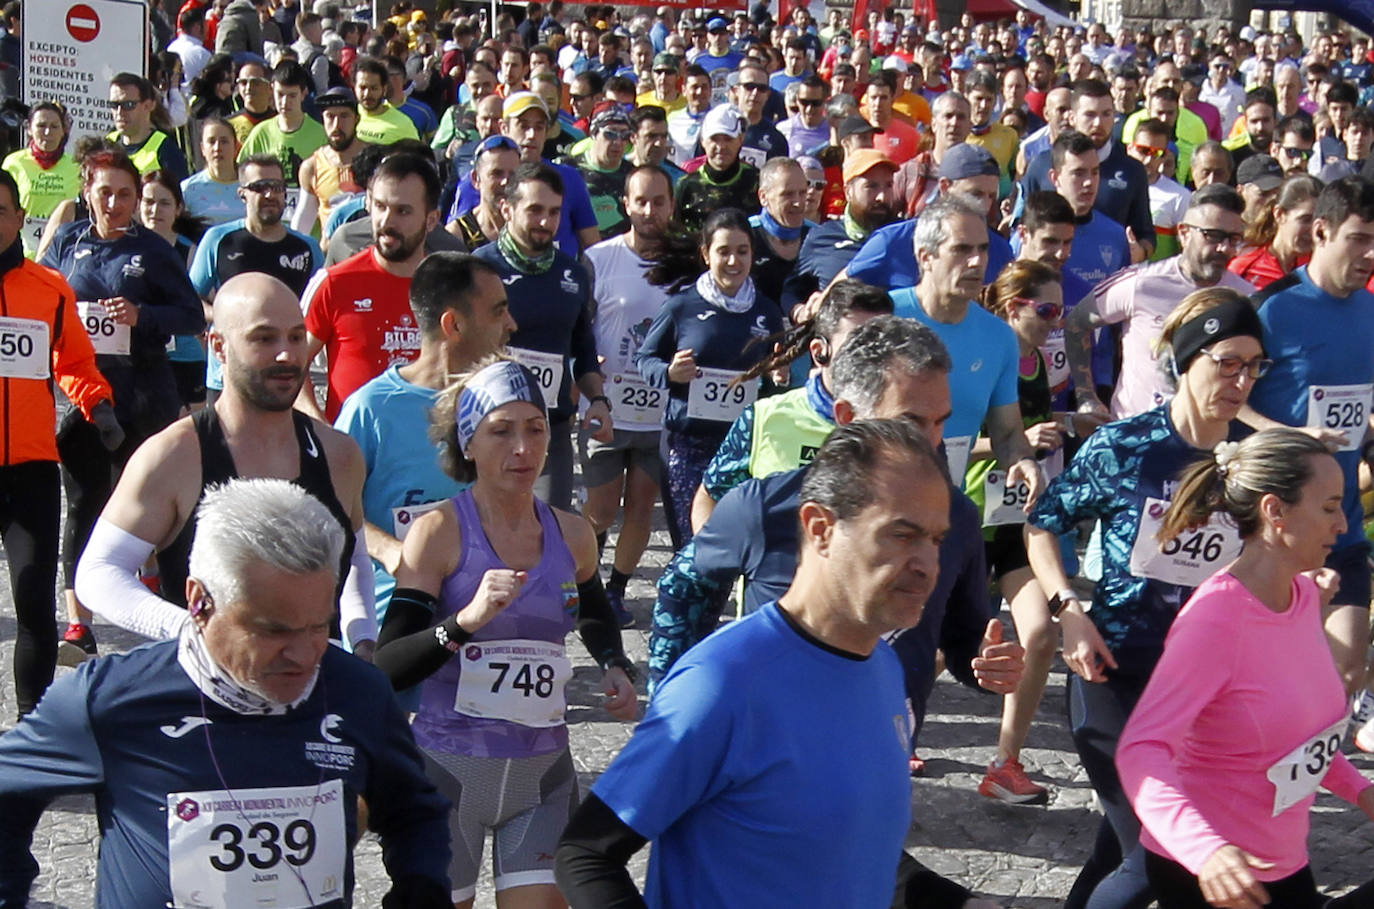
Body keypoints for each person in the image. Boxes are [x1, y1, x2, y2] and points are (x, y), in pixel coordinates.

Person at [556, 418, 1018, 907]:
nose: (928, 563)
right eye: (902, 535)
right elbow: (586, 854)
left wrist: (958, 902)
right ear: (820, 529)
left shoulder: (884, 669)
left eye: (937, 539)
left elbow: (846, 847)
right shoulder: (723, 682)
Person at [0, 478, 452, 908]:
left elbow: (414, 811)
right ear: (199, 602)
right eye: (272, 630)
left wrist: (420, 885)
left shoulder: (358, 692)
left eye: (318, 626)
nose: (303, 654)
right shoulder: (110, 699)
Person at [1027, 288, 1267, 909]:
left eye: (1254, 365)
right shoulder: (1124, 447)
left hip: (1198, 688)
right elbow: (1042, 525)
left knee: (1121, 843)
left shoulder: (1251, 462)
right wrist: (1067, 611)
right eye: (1226, 362)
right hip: (1111, 669)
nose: (1241, 380)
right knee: (1158, 853)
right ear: (1186, 362)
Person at [372, 357, 637, 909]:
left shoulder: (573, 533)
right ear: (468, 443)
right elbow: (389, 666)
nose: (523, 448)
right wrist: (464, 622)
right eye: (501, 431)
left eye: (535, 429)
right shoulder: (439, 532)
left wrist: (615, 664)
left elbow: (592, 612)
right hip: (450, 769)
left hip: (542, 772)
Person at [1116, 427, 1374, 909]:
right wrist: (1207, 852)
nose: (1342, 524)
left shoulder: (1300, 597)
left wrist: (1361, 790)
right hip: (1215, 878)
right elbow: (1141, 748)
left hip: (1281, 860)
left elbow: (1298, 739)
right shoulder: (1215, 620)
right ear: (1275, 511)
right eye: (1328, 507)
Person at [75, 271, 376, 658]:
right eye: (264, 339)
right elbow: (99, 573)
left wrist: (363, 642)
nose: (286, 354)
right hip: (206, 697)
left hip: (315, 693)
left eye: (297, 337)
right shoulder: (175, 454)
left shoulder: (338, 453)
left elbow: (354, 565)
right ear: (218, 346)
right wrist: (193, 631)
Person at [41, 149, 205, 662]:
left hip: (144, 394)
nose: (114, 203)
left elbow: (188, 316)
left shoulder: (154, 251)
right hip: (82, 398)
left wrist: (142, 315)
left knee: (158, 503)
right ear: (86, 190)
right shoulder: (67, 244)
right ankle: (78, 624)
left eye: (125, 194)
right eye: (105, 191)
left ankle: (173, 609)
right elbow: (39, 299)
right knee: (83, 503)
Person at [336, 252, 516, 655]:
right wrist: (394, 552)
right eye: (498, 312)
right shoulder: (371, 409)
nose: (512, 325)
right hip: (394, 631)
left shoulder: (499, 405)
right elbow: (329, 509)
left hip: (481, 636)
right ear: (453, 324)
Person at [1243, 176, 1374, 705]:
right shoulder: (1271, 308)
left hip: (1340, 524)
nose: (1369, 254)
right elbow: (1224, 401)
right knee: (1266, 678)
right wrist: (1289, 435)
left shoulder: (1370, 310)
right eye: (1358, 239)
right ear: (1320, 231)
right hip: (1274, 529)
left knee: (1343, 673)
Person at [0, 167, 117, 715]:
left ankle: (32, 730)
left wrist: (99, 405)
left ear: (20, 219)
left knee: (32, 601)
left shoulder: (48, 289)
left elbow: (72, 361)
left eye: (1, 211)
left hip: (30, 470)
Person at [635, 207, 783, 549]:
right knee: (692, 546)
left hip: (742, 445)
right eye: (723, 251)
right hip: (687, 445)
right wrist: (671, 374)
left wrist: (777, 372)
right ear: (706, 255)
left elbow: (778, 370)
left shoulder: (766, 311)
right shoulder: (681, 307)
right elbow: (646, 359)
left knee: (735, 544)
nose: (733, 261)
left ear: (753, 255)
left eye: (742, 251)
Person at [472, 162, 613, 510]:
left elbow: (583, 347)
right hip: (490, 424)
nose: (545, 222)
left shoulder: (573, 273)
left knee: (548, 529)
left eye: (554, 212)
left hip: (549, 426)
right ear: (507, 208)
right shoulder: (479, 268)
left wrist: (597, 400)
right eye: (534, 210)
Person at [889, 194, 1044, 494]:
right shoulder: (884, 317)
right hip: (878, 506)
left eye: (983, 249)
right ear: (925, 257)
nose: (976, 261)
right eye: (961, 249)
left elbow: (1008, 432)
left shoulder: (999, 337)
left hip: (948, 508)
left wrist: (1022, 460)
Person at [1066, 183, 1255, 420]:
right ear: (1184, 233)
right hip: (1137, 435)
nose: (1224, 248)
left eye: (1233, 238)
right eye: (1213, 236)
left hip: (1206, 441)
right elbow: (1076, 323)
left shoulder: (1245, 298)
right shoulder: (1142, 283)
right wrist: (1086, 397)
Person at [581, 165, 677, 627]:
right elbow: (580, 326)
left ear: (671, 206)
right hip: (607, 406)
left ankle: (616, 590)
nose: (649, 210)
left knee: (641, 504)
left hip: (660, 412)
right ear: (626, 204)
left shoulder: (686, 265)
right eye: (641, 201)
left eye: (659, 201)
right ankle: (586, 582)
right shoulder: (600, 259)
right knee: (600, 506)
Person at [299, 152, 440, 421]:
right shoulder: (334, 283)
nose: (387, 221)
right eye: (380, 206)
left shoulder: (449, 289)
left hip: (424, 452)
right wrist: (318, 424)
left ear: (431, 220)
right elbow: (292, 363)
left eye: (403, 211)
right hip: (350, 454)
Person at [191, 154, 323, 403]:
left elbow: (322, 305)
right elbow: (189, 297)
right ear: (242, 194)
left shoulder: (306, 247)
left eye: (276, 187)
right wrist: (219, 315)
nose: (269, 195)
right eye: (259, 187)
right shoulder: (218, 240)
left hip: (287, 374)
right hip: (228, 375)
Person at [842, 143, 1013, 292]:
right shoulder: (892, 241)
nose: (984, 205)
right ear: (945, 187)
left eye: (991, 196)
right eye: (975, 194)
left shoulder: (1000, 250)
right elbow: (833, 298)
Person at [781, 148, 898, 309]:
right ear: (848, 191)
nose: (882, 197)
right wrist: (798, 311)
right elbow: (792, 291)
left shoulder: (907, 236)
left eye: (888, 186)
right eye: (872, 186)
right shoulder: (823, 237)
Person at [139, 170, 207, 412]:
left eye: (164, 203)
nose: (155, 210)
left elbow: (205, 304)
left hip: (187, 356)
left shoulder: (190, 251)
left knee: (191, 431)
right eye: (148, 202)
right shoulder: (127, 246)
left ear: (178, 209)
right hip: (140, 355)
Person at [237, 60, 327, 225]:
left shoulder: (321, 135)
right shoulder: (260, 133)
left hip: (310, 229)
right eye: (280, 94)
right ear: (272, 90)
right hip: (267, 226)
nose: (285, 102)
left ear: (304, 93)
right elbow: (241, 174)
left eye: (292, 95)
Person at [2, 102, 79, 259]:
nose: (47, 132)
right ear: (29, 129)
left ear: (64, 131)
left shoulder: (77, 166)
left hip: (62, 255)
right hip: (19, 255)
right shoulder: (14, 163)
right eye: (41, 125)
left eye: (54, 126)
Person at [292, 86, 367, 238]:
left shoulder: (375, 159)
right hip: (332, 254)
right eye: (330, 116)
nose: (337, 125)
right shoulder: (312, 167)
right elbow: (302, 223)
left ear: (356, 119)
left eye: (344, 116)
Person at [673, 105, 761, 231]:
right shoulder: (686, 185)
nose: (721, 146)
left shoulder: (756, 181)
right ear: (703, 141)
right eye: (714, 139)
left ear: (740, 140)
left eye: (728, 139)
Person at [1228, 173, 1319, 289]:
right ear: (1279, 214)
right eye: (1305, 220)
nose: (1313, 230)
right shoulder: (1243, 268)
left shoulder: (1318, 267)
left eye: (1319, 222)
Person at [562, 103, 634, 237]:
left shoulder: (634, 176)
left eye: (625, 135)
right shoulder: (566, 170)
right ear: (593, 134)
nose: (618, 142)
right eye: (610, 134)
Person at [747, 158, 809, 304]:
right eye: (787, 194)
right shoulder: (745, 235)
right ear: (763, 197)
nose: (798, 202)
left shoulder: (818, 236)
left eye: (802, 193)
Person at [108, 72, 190, 182]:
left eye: (128, 105)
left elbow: (178, 196)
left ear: (148, 106)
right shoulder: (108, 143)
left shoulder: (166, 150)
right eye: (114, 105)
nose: (119, 112)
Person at [180, 116, 246, 226]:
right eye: (211, 141)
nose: (217, 148)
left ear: (236, 147)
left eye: (224, 141)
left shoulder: (251, 186)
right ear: (202, 149)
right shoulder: (188, 189)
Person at [353, 56, 421, 144]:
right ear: (354, 87)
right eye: (362, 88)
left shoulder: (402, 124)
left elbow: (417, 156)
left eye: (374, 88)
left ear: (384, 89)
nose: (367, 94)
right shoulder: (345, 116)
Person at [666, 64, 712, 165]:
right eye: (694, 87)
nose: (699, 92)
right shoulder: (672, 119)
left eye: (704, 87)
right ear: (684, 90)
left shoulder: (718, 118)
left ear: (710, 90)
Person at [226, 60, 276, 145]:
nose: (248, 88)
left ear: (270, 88)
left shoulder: (281, 122)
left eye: (255, 82)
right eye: (244, 83)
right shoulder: (228, 125)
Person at [778, 74, 829, 157]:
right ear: (797, 100)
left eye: (816, 103)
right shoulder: (784, 129)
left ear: (825, 102)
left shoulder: (833, 129)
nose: (809, 109)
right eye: (804, 102)